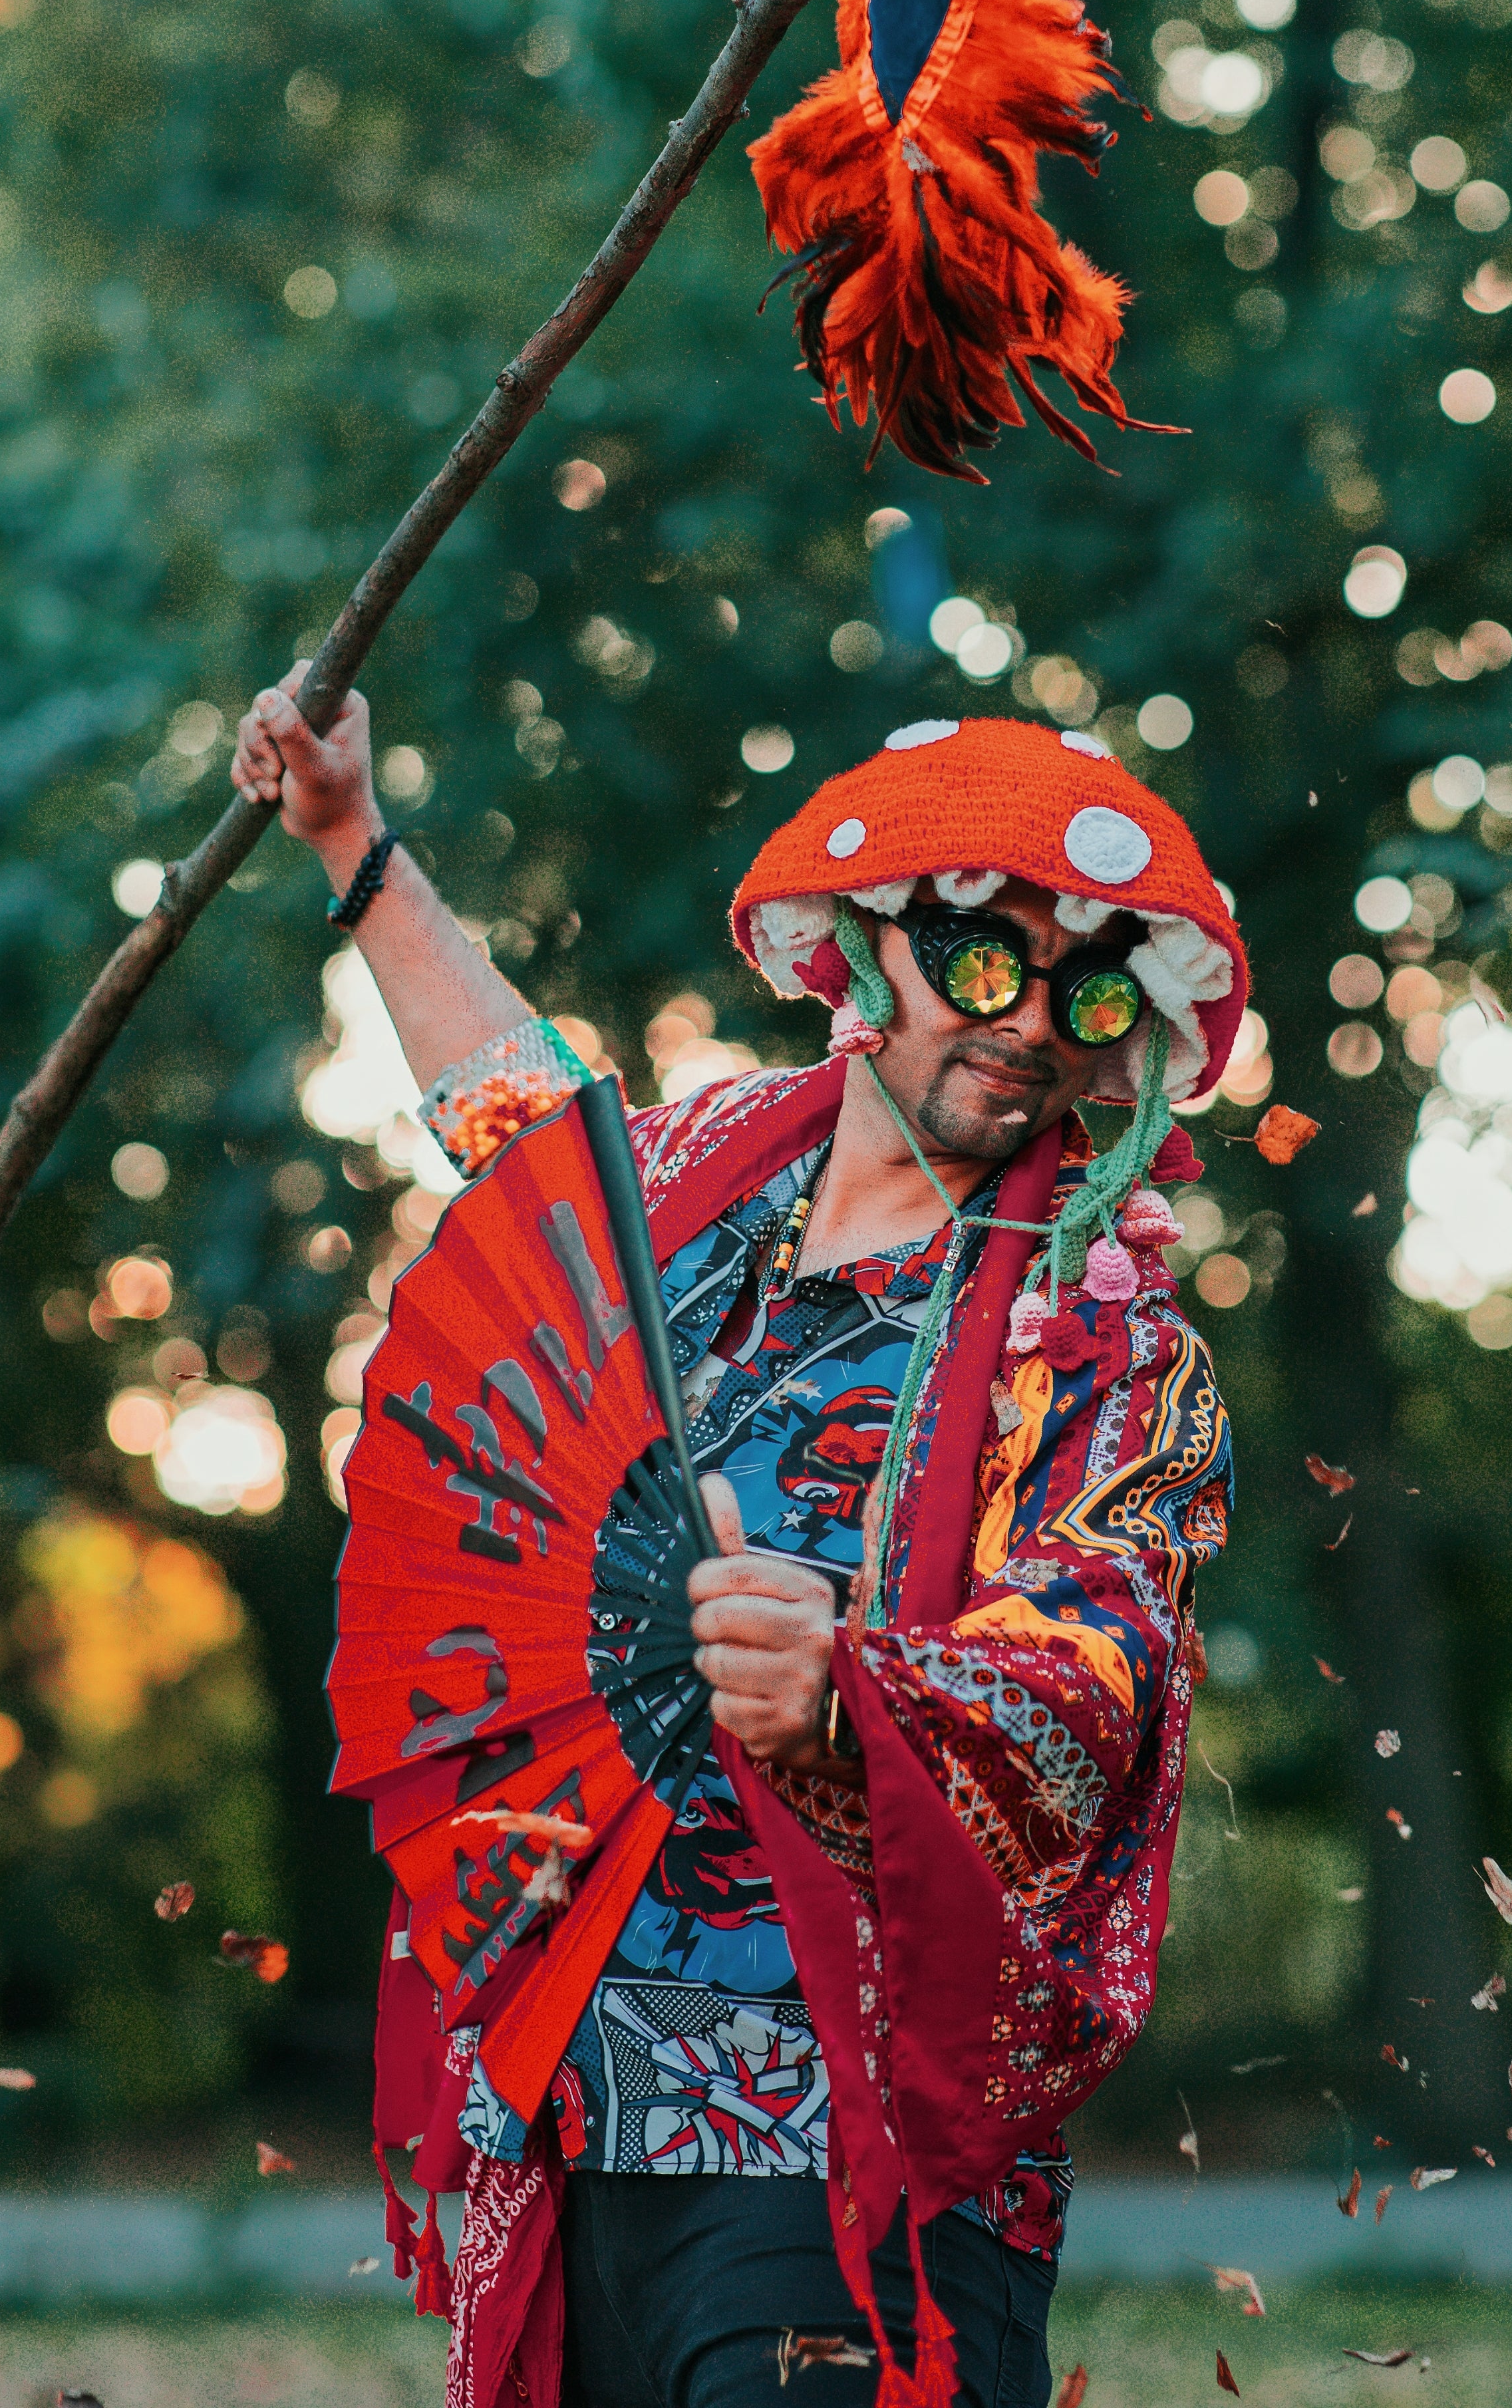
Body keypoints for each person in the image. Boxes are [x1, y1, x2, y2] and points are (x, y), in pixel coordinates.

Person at [233, 675, 1249, 2408]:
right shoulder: (694, 1175)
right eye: (981, 962)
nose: (1028, 1024)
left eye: (1084, 988)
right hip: (568, 2111)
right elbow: (508, 1117)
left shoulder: (1102, 1341)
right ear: (864, 951)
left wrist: (848, 1694)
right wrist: (351, 838)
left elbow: (1104, 1666)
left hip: (845, 2158)